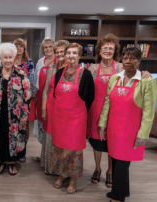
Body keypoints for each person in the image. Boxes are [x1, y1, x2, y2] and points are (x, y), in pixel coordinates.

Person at [88, 33, 151, 187]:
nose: (108, 50)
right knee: (96, 143)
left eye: (111, 48)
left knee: (112, 143)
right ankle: (97, 169)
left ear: (115, 50)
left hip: (115, 111)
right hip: (96, 110)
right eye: (105, 48)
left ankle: (110, 171)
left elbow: (136, 75)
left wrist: (144, 73)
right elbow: (87, 89)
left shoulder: (121, 66)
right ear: (99, 50)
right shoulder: (92, 68)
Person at [98, 47, 156, 202]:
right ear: (121, 60)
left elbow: (148, 111)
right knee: (116, 159)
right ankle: (125, 190)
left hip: (131, 131)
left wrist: (143, 133)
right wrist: (102, 123)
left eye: (132, 58)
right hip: (113, 128)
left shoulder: (146, 81)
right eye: (125, 58)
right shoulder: (114, 78)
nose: (128, 62)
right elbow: (107, 103)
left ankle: (118, 197)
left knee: (123, 162)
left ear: (139, 61)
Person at [51, 43, 95, 194]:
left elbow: (90, 97)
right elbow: (56, 94)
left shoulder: (85, 74)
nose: (71, 56)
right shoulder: (59, 73)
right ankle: (63, 174)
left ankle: (74, 178)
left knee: (75, 150)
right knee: (60, 148)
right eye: (68, 53)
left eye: (74, 53)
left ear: (79, 55)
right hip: (60, 117)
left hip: (76, 118)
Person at [0, 43, 32, 176]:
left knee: (15, 137)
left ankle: (11, 162)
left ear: (14, 57)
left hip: (16, 114)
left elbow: (28, 95)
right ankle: (0, 161)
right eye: (5, 57)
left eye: (10, 57)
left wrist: (25, 113)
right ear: (1, 58)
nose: (8, 60)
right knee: (0, 137)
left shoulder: (21, 74)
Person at [40, 40, 69, 174]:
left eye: (62, 51)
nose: (59, 54)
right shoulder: (52, 68)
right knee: (50, 136)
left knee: (63, 137)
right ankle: (50, 167)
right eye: (57, 52)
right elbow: (45, 90)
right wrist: (44, 109)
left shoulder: (75, 69)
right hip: (51, 107)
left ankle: (62, 168)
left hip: (66, 109)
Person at [33, 37, 56, 162]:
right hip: (41, 97)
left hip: (53, 99)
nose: (47, 49)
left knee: (52, 127)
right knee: (43, 126)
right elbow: (36, 82)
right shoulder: (40, 61)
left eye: (50, 46)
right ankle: (44, 153)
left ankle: (52, 155)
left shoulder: (59, 61)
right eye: (45, 47)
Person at [13, 38, 35, 163]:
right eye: (16, 46)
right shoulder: (10, 59)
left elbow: (30, 80)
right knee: (13, 125)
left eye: (21, 46)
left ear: (24, 48)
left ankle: (22, 150)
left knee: (24, 124)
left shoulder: (29, 62)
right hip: (12, 99)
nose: (19, 48)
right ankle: (13, 148)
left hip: (25, 98)